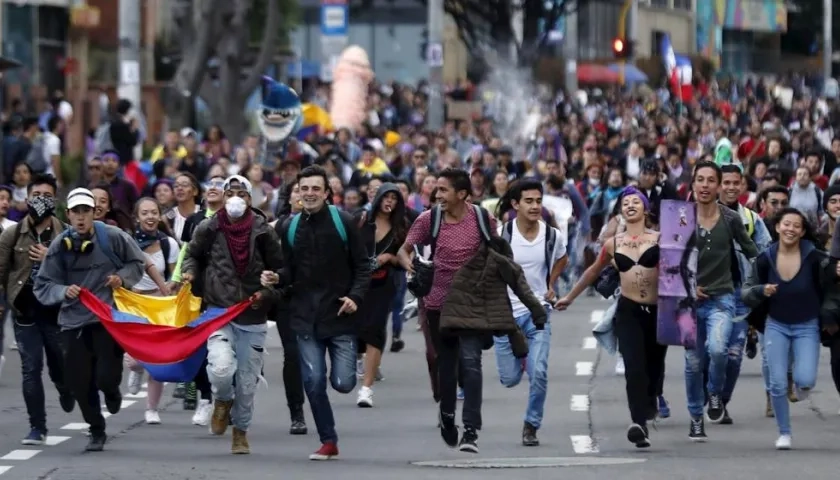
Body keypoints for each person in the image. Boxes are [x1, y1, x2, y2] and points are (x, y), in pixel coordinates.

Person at [33, 187, 146, 452]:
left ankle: (112, 391)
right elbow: (43, 285)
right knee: (78, 382)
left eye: (86, 211)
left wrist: (121, 278)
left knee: (106, 377)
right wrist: (63, 290)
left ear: (95, 212)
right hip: (73, 321)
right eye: (76, 212)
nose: (81, 217)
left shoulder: (113, 237)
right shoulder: (60, 246)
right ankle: (96, 429)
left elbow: (137, 263)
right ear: (68, 215)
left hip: (106, 318)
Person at [181, 175, 284, 455]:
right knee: (221, 369)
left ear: (250, 199)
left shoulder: (264, 231)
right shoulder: (209, 227)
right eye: (230, 193)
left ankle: (240, 432)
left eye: (242, 193)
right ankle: (223, 400)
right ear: (223, 198)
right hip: (218, 312)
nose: (235, 198)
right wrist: (189, 273)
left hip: (252, 316)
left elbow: (282, 272)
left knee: (248, 382)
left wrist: (269, 288)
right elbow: (192, 254)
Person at [274, 165, 370, 460]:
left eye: (316, 188)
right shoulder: (289, 227)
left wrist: (355, 297)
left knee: (342, 383)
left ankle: (352, 364)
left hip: (339, 315)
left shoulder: (344, 223)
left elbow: (363, 266)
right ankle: (329, 441)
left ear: (328, 193)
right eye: (305, 189)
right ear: (298, 193)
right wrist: (276, 277)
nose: (310, 193)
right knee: (314, 382)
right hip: (304, 316)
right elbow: (287, 270)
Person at [556, 187, 665, 448]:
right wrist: (569, 297)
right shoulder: (613, 244)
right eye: (625, 202)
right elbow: (593, 272)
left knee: (654, 368)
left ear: (645, 209)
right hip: (628, 312)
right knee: (634, 368)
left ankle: (652, 398)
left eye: (635, 202)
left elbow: (682, 268)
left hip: (659, 314)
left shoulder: (662, 239)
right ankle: (638, 423)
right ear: (620, 211)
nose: (630, 205)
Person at [742, 208, 835, 449]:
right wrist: (761, 290)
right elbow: (746, 292)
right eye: (786, 224)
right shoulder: (765, 258)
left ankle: (802, 387)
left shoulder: (815, 257)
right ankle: (784, 432)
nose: (790, 229)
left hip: (807, 325)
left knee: (805, 379)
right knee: (777, 384)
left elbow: (832, 278)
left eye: (796, 226)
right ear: (777, 227)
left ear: (803, 231)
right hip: (776, 325)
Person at [0, 174, 74, 445]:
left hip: (56, 313)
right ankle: (37, 427)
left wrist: (50, 257)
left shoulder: (66, 233)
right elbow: (1, 269)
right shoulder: (13, 233)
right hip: (25, 311)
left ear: (54, 199)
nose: (40, 200)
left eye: (46, 195)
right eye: (35, 195)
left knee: (59, 367)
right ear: (27, 199)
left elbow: (76, 271)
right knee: (30, 368)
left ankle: (66, 389)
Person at [688, 161, 757, 440]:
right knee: (692, 364)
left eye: (710, 181)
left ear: (718, 186)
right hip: (689, 304)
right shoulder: (681, 217)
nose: (705, 185)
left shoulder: (730, 219)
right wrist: (688, 286)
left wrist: (751, 288)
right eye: (700, 180)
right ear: (692, 184)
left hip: (722, 300)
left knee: (717, 350)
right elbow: (668, 258)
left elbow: (753, 253)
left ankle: (714, 392)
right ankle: (695, 418)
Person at [496, 179, 567, 447]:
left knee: (539, 372)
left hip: (538, 312)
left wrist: (551, 283)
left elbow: (563, 258)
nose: (535, 206)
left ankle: (531, 425)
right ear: (515, 204)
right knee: (510, 378)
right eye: (528, 201)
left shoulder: (551, 236)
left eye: (538, 201)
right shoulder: (502, 235)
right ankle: (523, 356)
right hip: (505, 317)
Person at [354, 182, 408, 408]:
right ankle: (357, 359)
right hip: (357, 285)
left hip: (384, 285)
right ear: (378, 198)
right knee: (356, 333)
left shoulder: (400, 226)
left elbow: (405, 257)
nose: (390, 202)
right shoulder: (362, 219)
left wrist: (390, 259)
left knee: (375, 331)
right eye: (387, 197)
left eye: (395, 199)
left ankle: (366, 388)